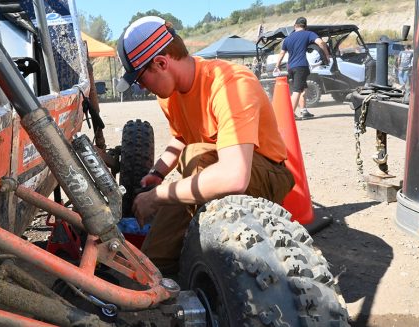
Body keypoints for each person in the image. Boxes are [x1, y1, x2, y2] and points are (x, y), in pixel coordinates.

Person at [116, 16, 295, 273]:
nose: (143, 88)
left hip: (265, 173)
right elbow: (180, 137)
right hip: (210, 169)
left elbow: (234, 176)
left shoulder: (231, 83)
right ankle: (181, 253)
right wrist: (157, 174)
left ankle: (200, 253)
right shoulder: (171, 95)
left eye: (141, 80)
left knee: (197, 156)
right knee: (153, 261)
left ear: (161, 63)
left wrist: (156, 198)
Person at [273, 17, 330, 120]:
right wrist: (326, 55)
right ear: (305, 26)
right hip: (301, 66)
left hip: (290, 67)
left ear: (295, 26)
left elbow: (282, 53)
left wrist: (277, 66)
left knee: (302, 89)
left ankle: (303, 111)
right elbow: (321, 43)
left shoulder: (288, 38)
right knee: (297, 91)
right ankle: (290, 115)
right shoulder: (308, 33)